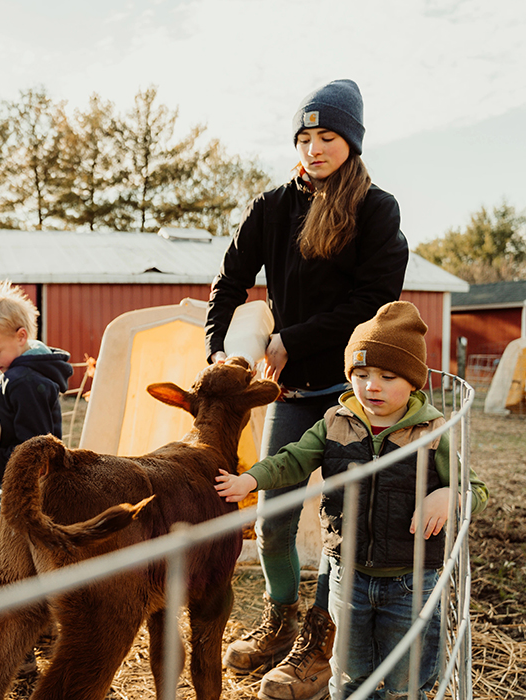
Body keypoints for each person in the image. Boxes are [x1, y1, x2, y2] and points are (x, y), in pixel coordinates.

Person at [205, 79, 410, 700]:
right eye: (304, 137)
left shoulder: (377, 210)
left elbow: (373, 300)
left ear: (351, 142)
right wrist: (218, 348)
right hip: (289, 394)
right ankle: (280, 621)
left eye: (327, 137)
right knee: (273, 519)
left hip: (351, 394)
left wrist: (292, 337)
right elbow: (230, 280)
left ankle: (319, 646)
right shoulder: (271, 207)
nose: (314, 148)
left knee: (341, 525)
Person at [215, 301, 489, 700]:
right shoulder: (335, 422)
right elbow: (293, 459)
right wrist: (250, 479)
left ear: (414, 381)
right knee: (348, 674)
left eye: (387, 376)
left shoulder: (432, 433)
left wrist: (451, 495)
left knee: (404, 680)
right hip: (348, 578)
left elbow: (476, 489)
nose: (371, 386)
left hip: (411, 581)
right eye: (360, 375)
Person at [0, 280, 73, 581]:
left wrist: (0, 458)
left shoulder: (26, 382)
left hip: (28, 477)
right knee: (18, 529)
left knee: (8, 529)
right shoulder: (2, 368)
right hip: (11, 471)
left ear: (21, 336)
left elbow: (34, 443)